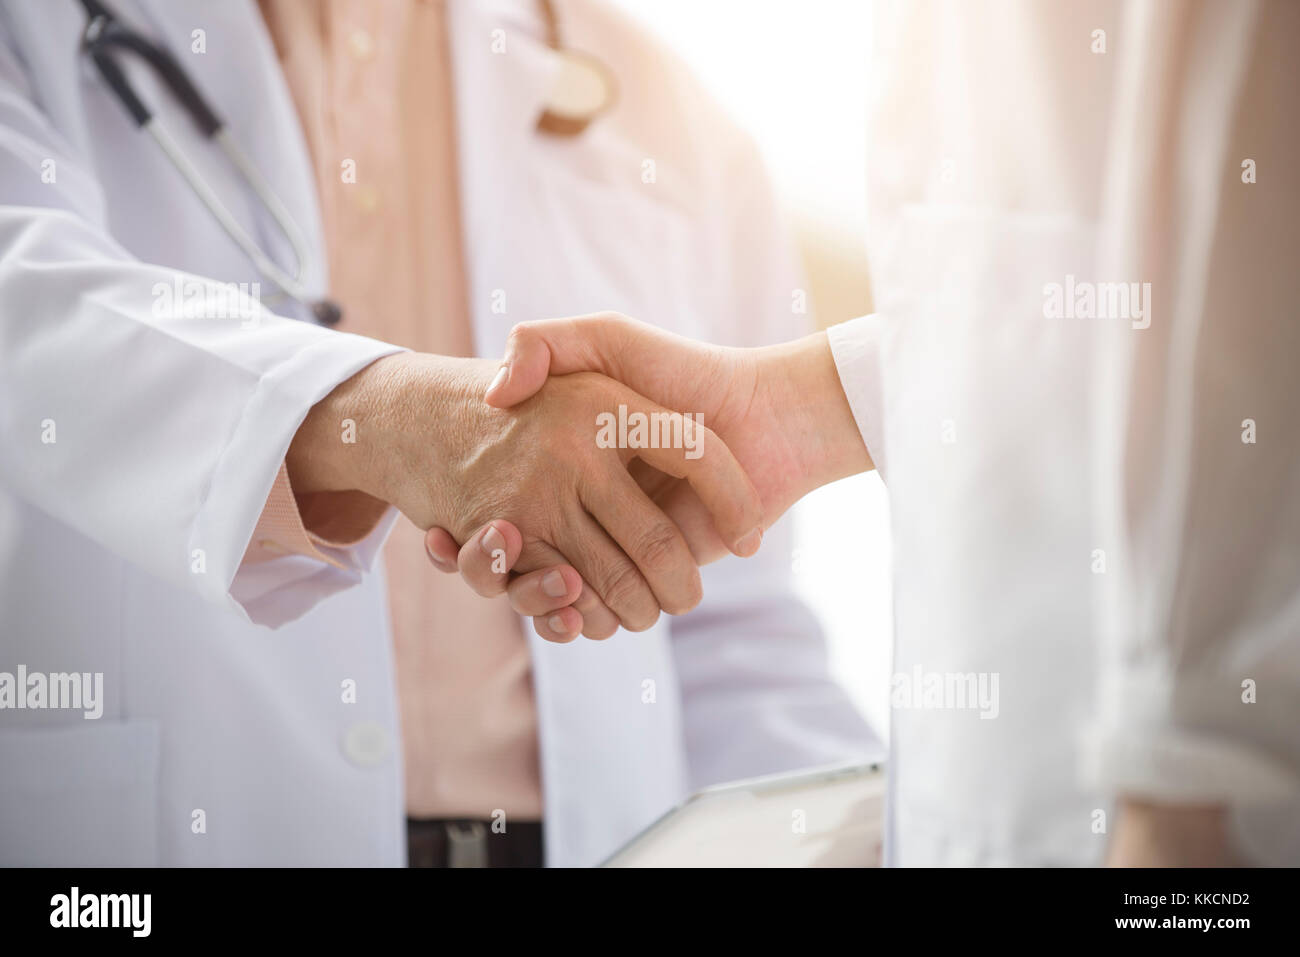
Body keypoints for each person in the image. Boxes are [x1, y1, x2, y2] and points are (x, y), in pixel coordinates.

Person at [0, 0, 877, 868]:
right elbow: (29, 309)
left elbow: (731, 628)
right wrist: (396, 424)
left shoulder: (662, 106)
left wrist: (850, 831)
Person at [430, 0, 1300, 865]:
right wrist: (811, 405)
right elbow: (1091, 296)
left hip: (1178, 812)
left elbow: (1246, 288)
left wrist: (1183, 779)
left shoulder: (674, 109)